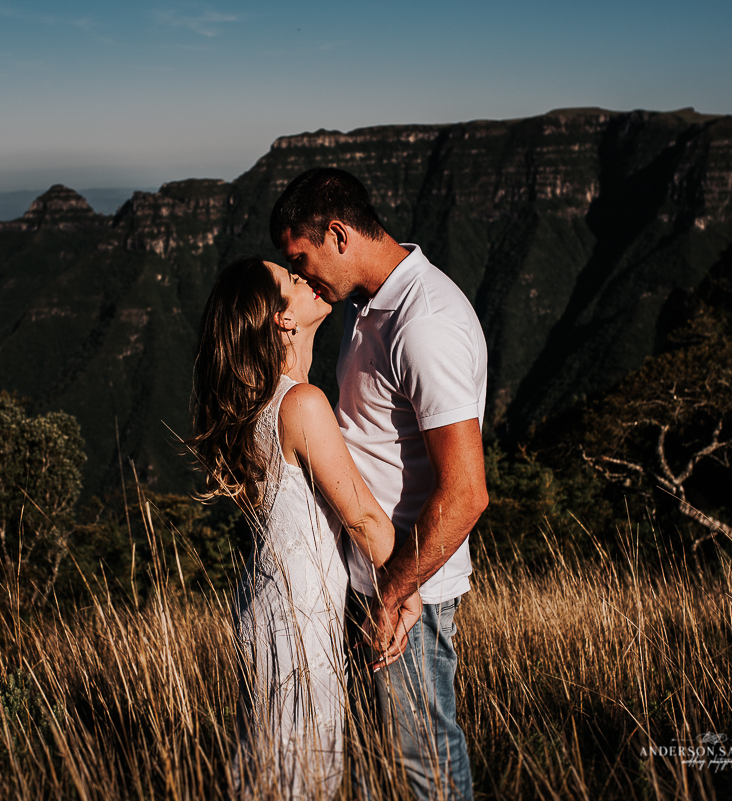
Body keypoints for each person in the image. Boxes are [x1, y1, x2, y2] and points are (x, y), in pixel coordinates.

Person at [270, 168, 489, 801]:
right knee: (377, 763)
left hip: (407, 587)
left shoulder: (425, 321)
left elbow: (467, 491)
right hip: (370, 578)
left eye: (301, 260)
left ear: (337, 234)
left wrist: (395, 593)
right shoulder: (369, 303)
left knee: (423, 761)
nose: (303, 276)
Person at [188, 255, 400, 800]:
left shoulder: (264, 402)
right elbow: (364, 518)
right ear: (281, 319)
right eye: (292, 280)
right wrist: (408, 590)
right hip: (295, 614)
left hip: (272, 605)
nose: (307, 280)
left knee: (278, 768)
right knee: (299, 772)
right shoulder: (301, 403)